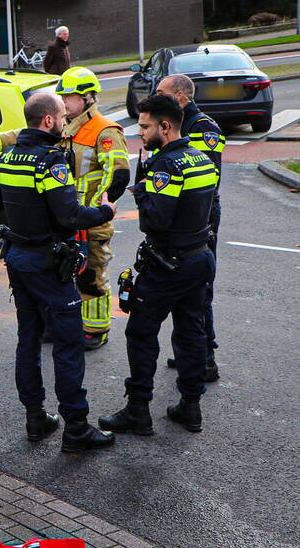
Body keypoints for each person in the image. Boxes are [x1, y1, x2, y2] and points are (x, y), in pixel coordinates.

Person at [0, 92, 117, 453]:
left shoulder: (8, 157)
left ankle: (35, 418)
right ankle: (76, 428)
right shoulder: (50, 161)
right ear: (48, 121)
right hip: (49, 263)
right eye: (61, 115)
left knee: (28, 338)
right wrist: (104, 213)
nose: (64, 121)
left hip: (18, 259)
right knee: (68, 344)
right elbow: (69, 215)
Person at [0, 67, 130, 350]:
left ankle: (94, 330)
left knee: (92, 275)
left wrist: (95, 210)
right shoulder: (63, 125)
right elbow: (25, 133)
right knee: (63, 275)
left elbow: (117, 175)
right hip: (64, 218)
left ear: (89, 98)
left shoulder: (104, 130)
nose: (65, 101)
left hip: (88, 220)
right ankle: (63, 325)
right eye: (63, 96)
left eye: (70, 96)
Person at [100, 94, 217, 435]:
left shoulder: (165, 166)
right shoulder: (201, 158)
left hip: (167, 265)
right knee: (191, 331)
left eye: (146, 126)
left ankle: (138, 411)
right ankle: (190, 407)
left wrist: (142, 193)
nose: (141, 132)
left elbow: (155, 221)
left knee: (141, 334)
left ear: (165, 127)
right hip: (198, 258)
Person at [155, 74, 224, 382]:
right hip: (183, 215)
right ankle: (189, 350)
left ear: (181, 97)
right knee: (184, 289)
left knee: (199, 288)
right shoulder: (175, 126)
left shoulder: (204, 127)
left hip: (200, 215)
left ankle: (205, 358)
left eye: (162, 93)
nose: (157, 97)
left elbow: (204, 180)